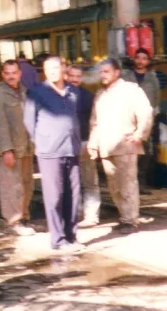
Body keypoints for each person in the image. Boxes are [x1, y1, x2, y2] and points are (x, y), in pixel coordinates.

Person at [23, 56, 83, 253]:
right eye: (48, 69)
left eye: (56, 67)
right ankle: (58, 239)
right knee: (54, 196)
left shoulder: (73, 92)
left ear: (63, 68)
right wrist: (43, 141)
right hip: (50, 151)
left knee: (73, 195)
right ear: (44, 71)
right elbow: (29, 123)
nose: (53, 72)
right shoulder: (36, 92)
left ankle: (71, 236)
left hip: (71, 148)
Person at [88, 59, 154, 234]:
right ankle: (123, 215)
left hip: (126, 145)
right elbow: (95, 121)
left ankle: (130, 220)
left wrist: (140, 133)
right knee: (114, 185)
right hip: (106, 146)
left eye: (106, 71)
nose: (102, 75)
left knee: (127, 184)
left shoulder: (130, 90)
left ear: (116, 72)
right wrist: (93, 143)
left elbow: (145, 112)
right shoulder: (100, 94)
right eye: (101, 72)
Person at [0, 60, 35, 237]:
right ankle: (14, 221)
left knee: (26, 184)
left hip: (26, 147)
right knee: (11, 186)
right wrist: (6, 150)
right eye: (7, 73)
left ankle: (24, 216)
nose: (11, 76)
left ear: (20, 73)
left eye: (14, 72)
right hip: (11, 149)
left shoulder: (24, 92)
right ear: (2, 74)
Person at [122, 48, 160, 187]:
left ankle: (141, 181)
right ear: (134, 59)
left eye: (144, 58)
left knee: (145, 150)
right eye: (138, 58)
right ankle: (129, 180)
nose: (141, 61)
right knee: (128, 149)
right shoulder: (126, 76)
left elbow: (156, 98)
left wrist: (148, 114)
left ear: (148, 61)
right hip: (128, 118)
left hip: (145, 119)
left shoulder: (152, 78)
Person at [67, 64, 99, 227]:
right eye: (71, 75)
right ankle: (75, 213)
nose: (74, 79)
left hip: (85, 142)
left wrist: (94, 142)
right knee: (71, 181)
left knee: (89, 180)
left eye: (78, 76)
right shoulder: (59, 95)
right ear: (66, 76)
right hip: (66, 144)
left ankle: (91, 215)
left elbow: (94, 121)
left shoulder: (88, 96)